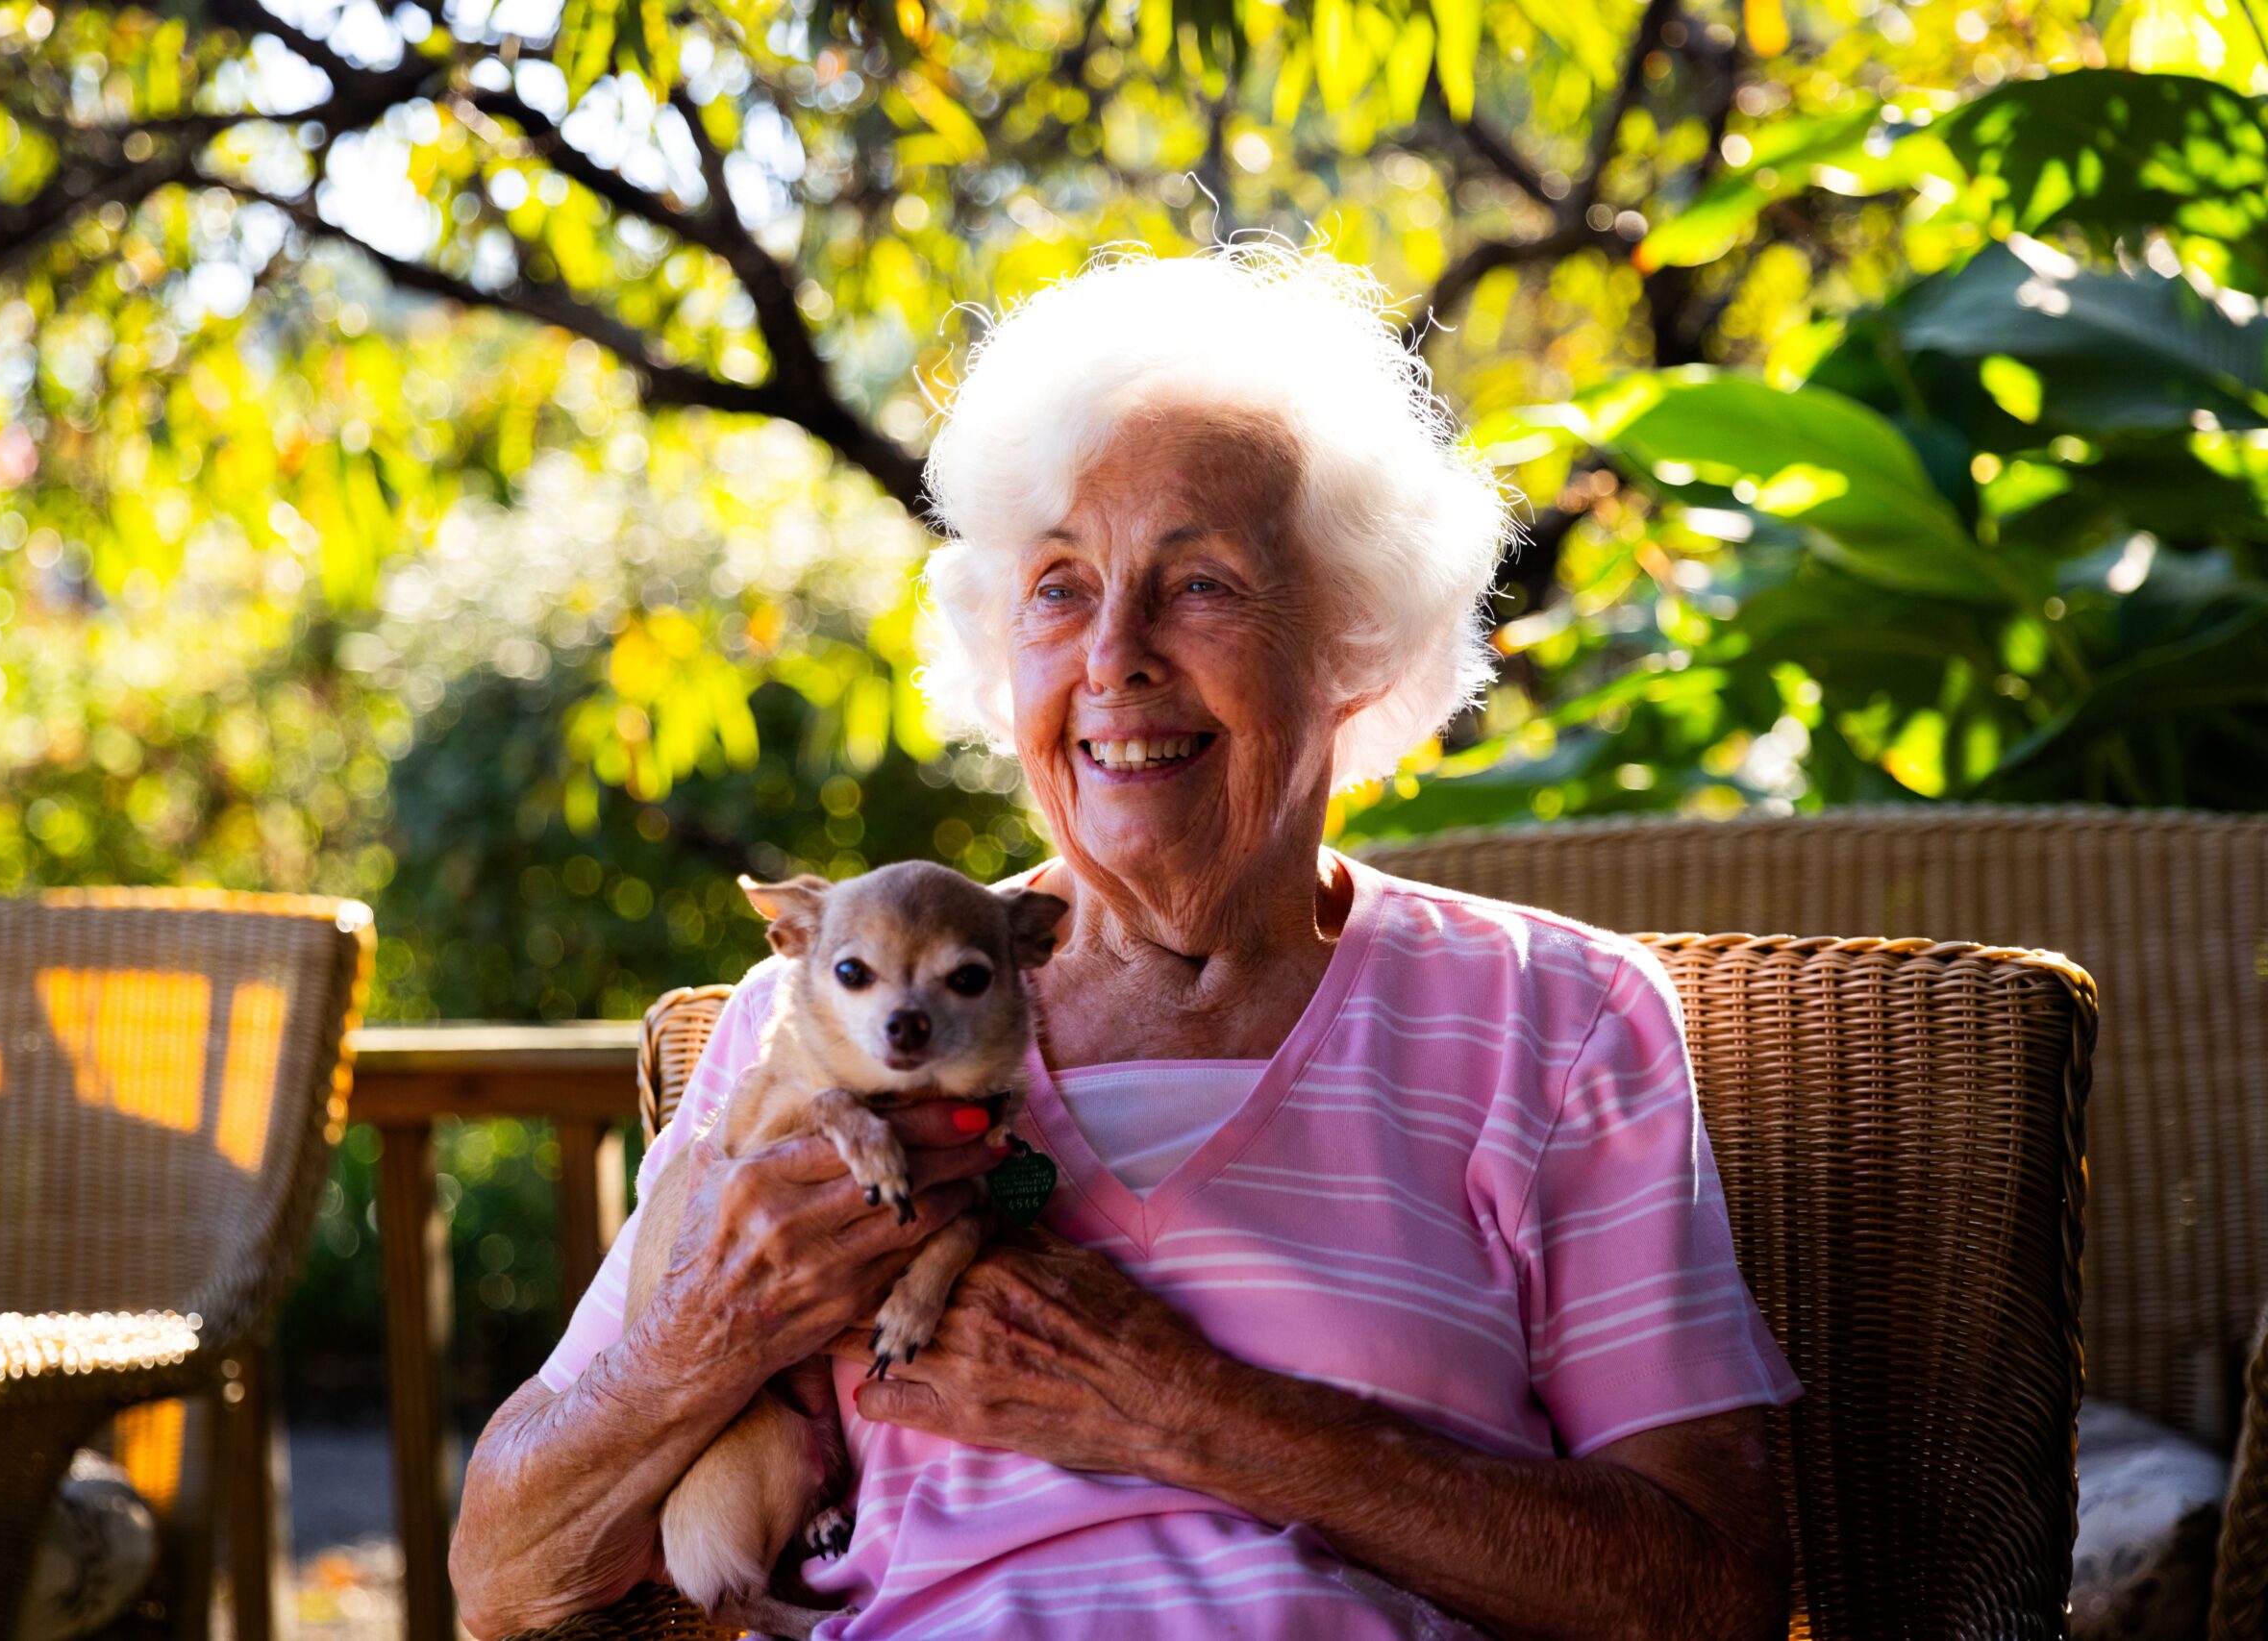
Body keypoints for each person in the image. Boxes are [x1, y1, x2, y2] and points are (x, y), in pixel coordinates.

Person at [451, 241, 1802, 1640]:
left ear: (1349, 639)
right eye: (1057, 588)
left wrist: (1191, 1414)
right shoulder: (821, 1022)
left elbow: (1715, 1596)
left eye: (1199, 583)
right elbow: (502, 1582)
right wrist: (707, 1334)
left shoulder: (1558, 1021)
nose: (1114, 658)